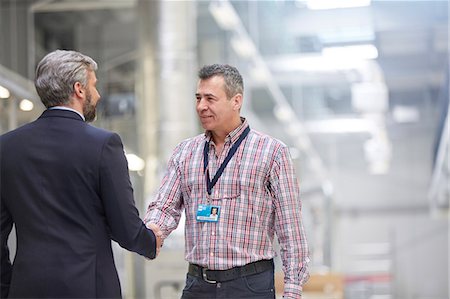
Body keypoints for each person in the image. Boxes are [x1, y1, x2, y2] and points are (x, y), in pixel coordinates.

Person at [0, 50, 162, 298]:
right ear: (79, 89)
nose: (97, 95)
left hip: (26, 288)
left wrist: (8, 287)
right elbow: (125, 228)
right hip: (89, 288)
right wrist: (150, 241)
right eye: (94, 86)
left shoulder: (7, 147)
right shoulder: (103, 144)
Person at [145, 64, 309, 298]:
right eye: (198, 98)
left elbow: (290, 228)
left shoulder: (272, 153)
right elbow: (165, 207)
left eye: (210, 98)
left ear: (236, 101)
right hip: (198, 285)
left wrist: (292, 290)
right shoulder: (185, 152)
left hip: (250, 286)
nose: (201, 106)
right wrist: (153, 229)